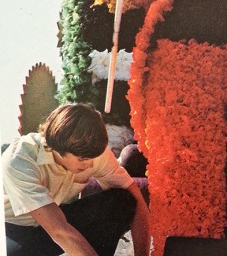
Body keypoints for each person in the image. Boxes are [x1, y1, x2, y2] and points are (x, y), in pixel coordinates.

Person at [3, 103, 150, 256]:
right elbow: (59, 231)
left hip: (56, 220)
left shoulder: (91, 152)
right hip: (13, 230)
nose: (91, 164)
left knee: (123, 200)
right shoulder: (18, 161)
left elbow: (137, 201)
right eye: (82, 159)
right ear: (58, 149)